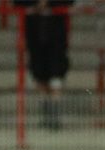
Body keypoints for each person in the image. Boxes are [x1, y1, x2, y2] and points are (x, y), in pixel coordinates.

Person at [13, 0, 75, 130]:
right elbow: (17, 3)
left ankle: (54, 114)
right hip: (35, 35)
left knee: (56, 74)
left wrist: (47, 2)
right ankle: (47, 114)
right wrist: (36, 4)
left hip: (56, 36)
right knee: (39, 75)